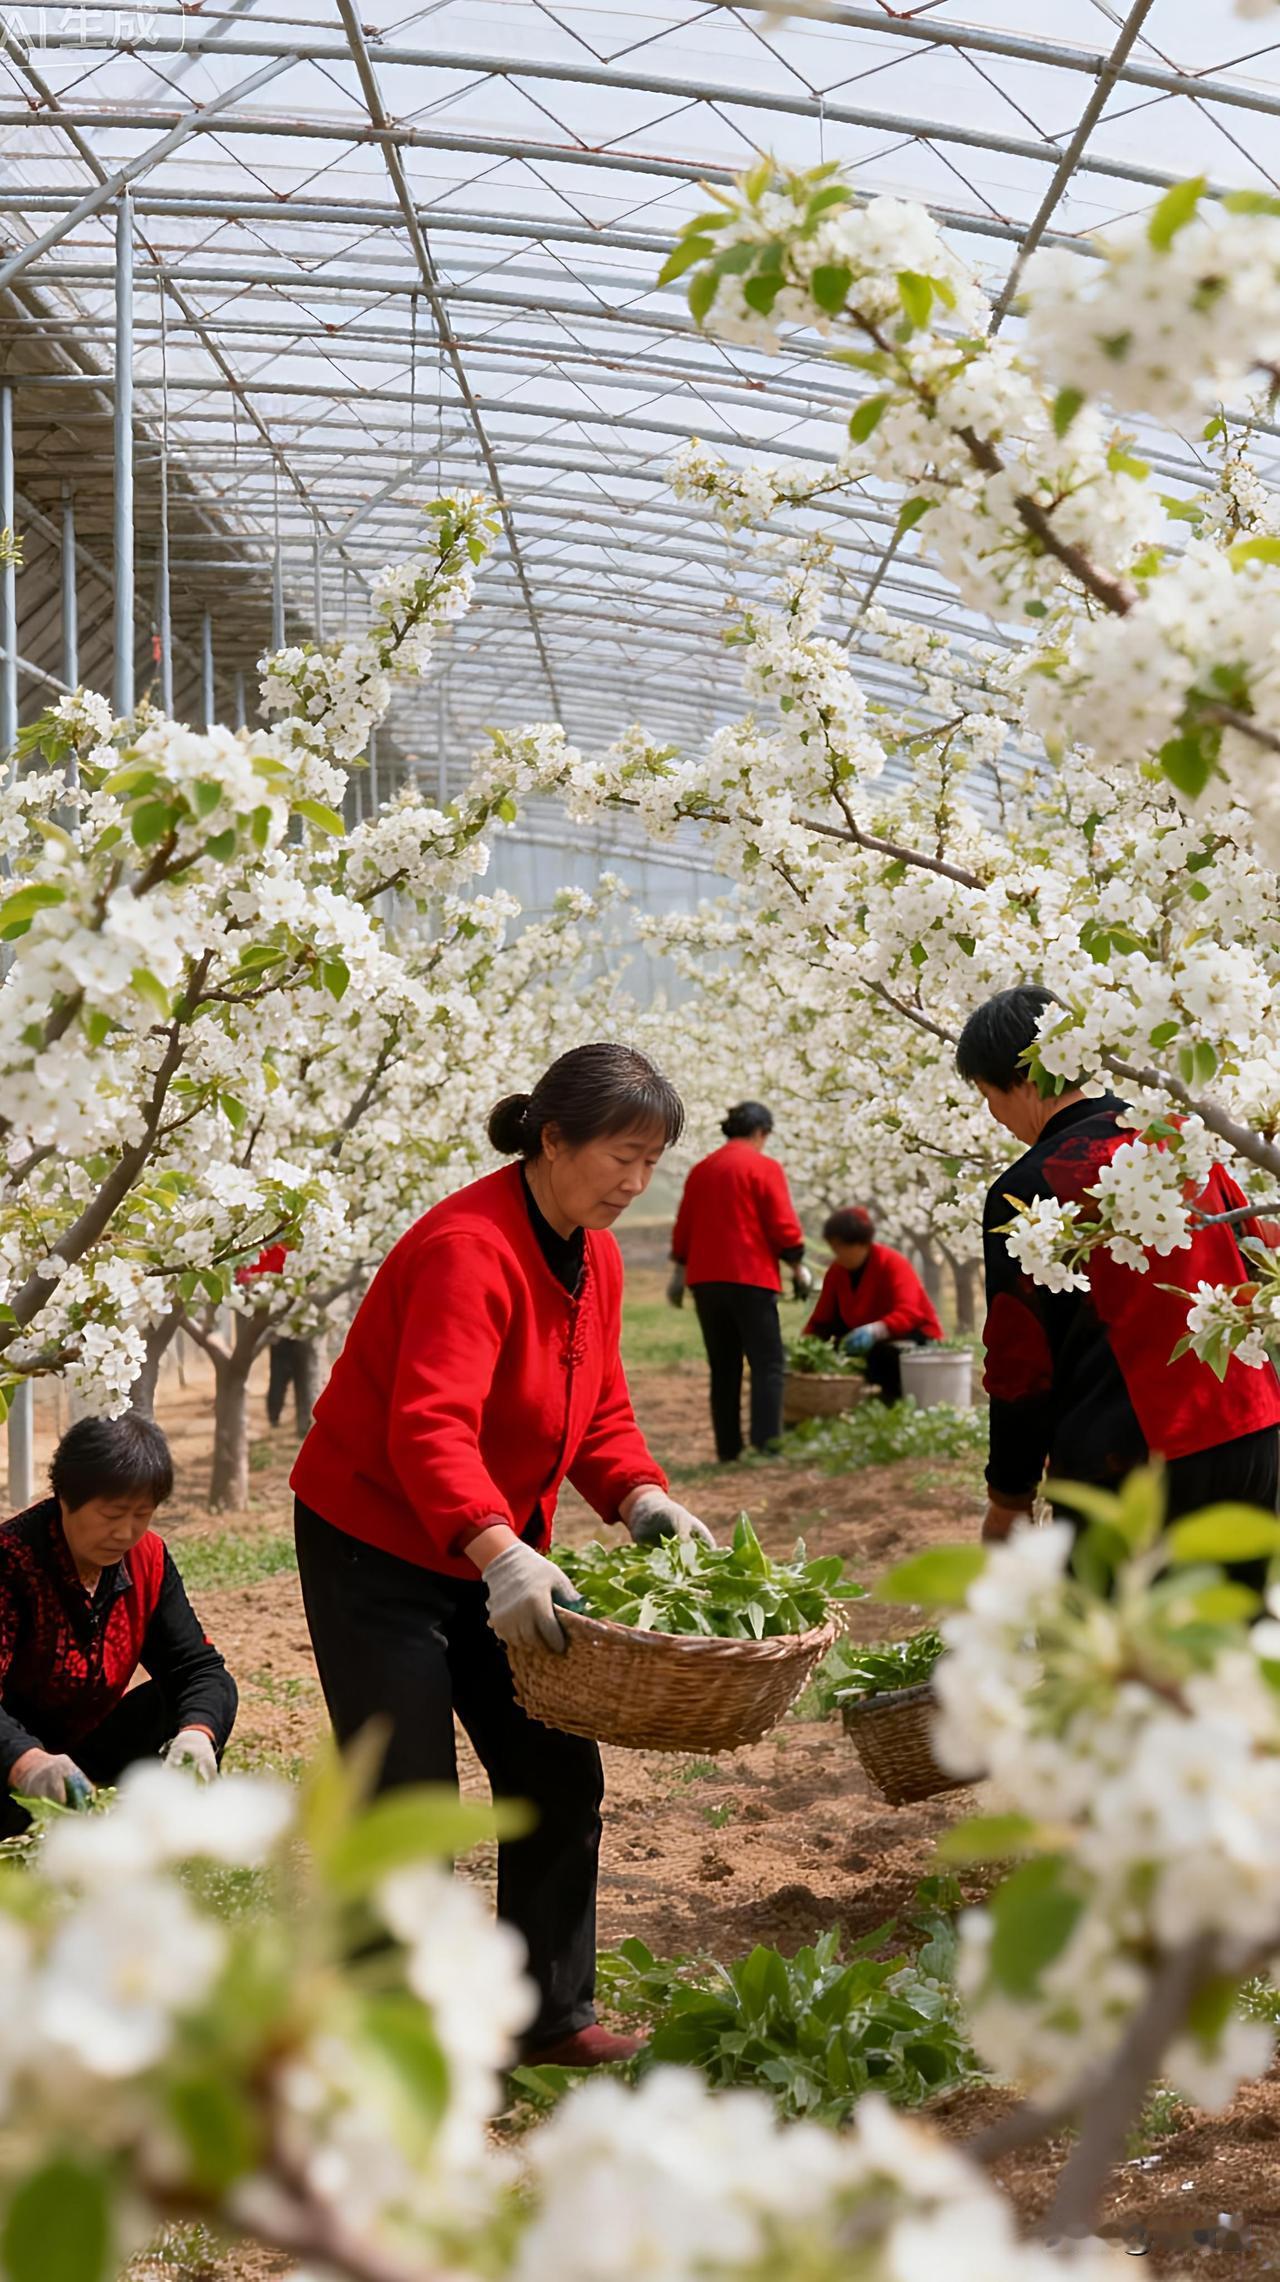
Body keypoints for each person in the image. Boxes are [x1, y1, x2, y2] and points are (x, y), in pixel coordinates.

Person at [291, 1042, 714, 2070]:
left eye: (652, 1161)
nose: (634, 1180)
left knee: (554, 1770)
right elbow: (425, 1427)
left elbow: (595, 1408)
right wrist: (500, 1551)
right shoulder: (466, 1249)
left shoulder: (596, 1255)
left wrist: (638, 1494)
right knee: (407, 1795)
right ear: (552, 1138)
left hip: (494, 1551)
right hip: (377, 1545)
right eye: (621, 1154)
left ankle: (547, 2013)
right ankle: (395, 2048)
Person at [957, 985, 1280, 1540]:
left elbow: (1020, 1363)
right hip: (1251, 1432)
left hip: (1128, 1466)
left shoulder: (1029, 1189)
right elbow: (1258, 1256)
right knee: (1244, 1623)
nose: (996, 1116)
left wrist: (1009, 1495)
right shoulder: (1181, 1139)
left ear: (1020, 1079)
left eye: (988, 1094)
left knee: (1127, 1627)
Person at [0, 1415, 237, 1832]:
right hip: (15, 1765)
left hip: (87, 1748)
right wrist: (27, 1762)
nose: (125, 1532)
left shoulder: (148, 1559)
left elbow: (197, 1668)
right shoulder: (11, 1562)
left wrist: (197, 1735)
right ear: (66, 1499)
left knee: (186, 1700)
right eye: (111, 1515)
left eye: (141, 1514)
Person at [669, 1101, 810, 1463]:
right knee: (767, 1362)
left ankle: (728, 1450)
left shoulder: (701, 1170)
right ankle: (767, 1445)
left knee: (724, 1365)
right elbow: (781, 1223)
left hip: (705, 1280)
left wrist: (679, 1274)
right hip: (751, 1276)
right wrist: (796, 1265)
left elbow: (685, 1225)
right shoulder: (763, 1167)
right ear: (761, 1133)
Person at [804, 1206, 943, 1402]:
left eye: (840, 1247)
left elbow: (910, 1312)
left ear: (860, 1244)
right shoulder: (836, 1272)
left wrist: (875, 1330)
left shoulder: (893, 1263)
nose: (836, 1253)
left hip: (908, 1339)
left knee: (882, 1357)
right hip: (862, 1342)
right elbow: (821, 1320)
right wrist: (806, 1347)